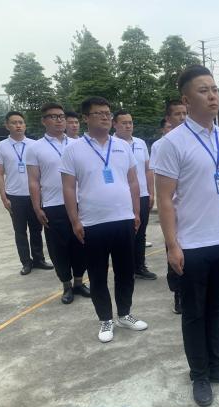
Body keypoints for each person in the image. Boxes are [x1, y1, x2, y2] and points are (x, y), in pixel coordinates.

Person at [155, 65, 219, 407]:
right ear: (186, 99)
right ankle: (199, 374)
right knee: (195, 313)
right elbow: (165, 199)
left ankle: (218, 365)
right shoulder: (171, 144)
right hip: (191, 245)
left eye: (214, 89)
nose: (212, 96)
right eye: (203, 90)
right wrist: (172, 245)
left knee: (218, 308)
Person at [60, 96, 147, 343]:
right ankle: (105, 319)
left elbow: (133, 181)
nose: (105, 117)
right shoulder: (73, 149)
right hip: (92, 222)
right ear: (85, 118)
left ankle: (125, 314)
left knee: (125, 272)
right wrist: (75, 220)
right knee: (98, 275)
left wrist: (136, 212)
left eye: (108, 113)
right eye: (99, 113)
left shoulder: (122, 146)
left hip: (123, 219)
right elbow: (68, 188)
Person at [26, 103, 90, 304]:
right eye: (53, 117)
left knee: (81, 244)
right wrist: (37, 207)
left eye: (61, 116)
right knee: (58, 248)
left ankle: (79, 282)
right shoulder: (35, 148)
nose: (59, 120)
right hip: (53, 205)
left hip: (80, 203)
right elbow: (33, 180)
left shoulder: (78, 144)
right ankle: (66, 285)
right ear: (43, 121)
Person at [0, 111, 53, 275]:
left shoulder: (35, 145)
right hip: (14, 196)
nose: (18, 125)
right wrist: (4, 197)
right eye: (14, 123)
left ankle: (39, 259)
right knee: (20, 231)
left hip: (34, 196)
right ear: (7, 126)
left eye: (21, 122)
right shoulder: (0, 147)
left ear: (25, 125)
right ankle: (26, 262)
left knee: (36, 229)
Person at [150, 100, 187, 314]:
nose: (182, 117)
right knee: (174, 251)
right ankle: (178, 294)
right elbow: (162, 182)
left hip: (192, 211)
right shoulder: (162, 145)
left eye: (185, 113)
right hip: (173, 211)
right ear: (168, 118)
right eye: (177, 114)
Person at [113, 110, 157, 280]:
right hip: (122, 196)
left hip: (142, 195)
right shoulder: (111, 144)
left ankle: (139, 266)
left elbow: (148, 169)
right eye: (124, 123)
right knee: (124, 234)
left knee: (141, 233)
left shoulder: (140, 143)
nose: (128, 126)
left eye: (130, 122)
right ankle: (126, 269)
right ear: (114, 124)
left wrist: (151, 192)